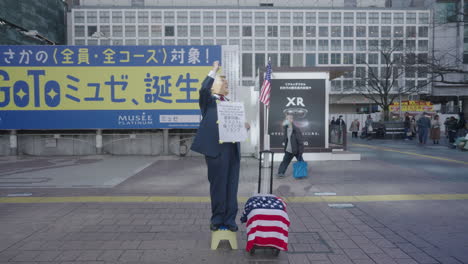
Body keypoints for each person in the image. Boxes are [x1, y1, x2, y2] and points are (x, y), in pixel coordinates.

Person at [190, 61, 247, 232]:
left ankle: (230, 220)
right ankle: (217, 219)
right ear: (214, 87)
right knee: (218, 186)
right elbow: (203, 89)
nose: (226, 84)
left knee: (231, 186)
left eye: (227, 82)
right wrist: (214, 71)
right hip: (216, 151)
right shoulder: (209, 103)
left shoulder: (230, 103)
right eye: (223, 82)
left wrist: (244, 125)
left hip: (231, 150)